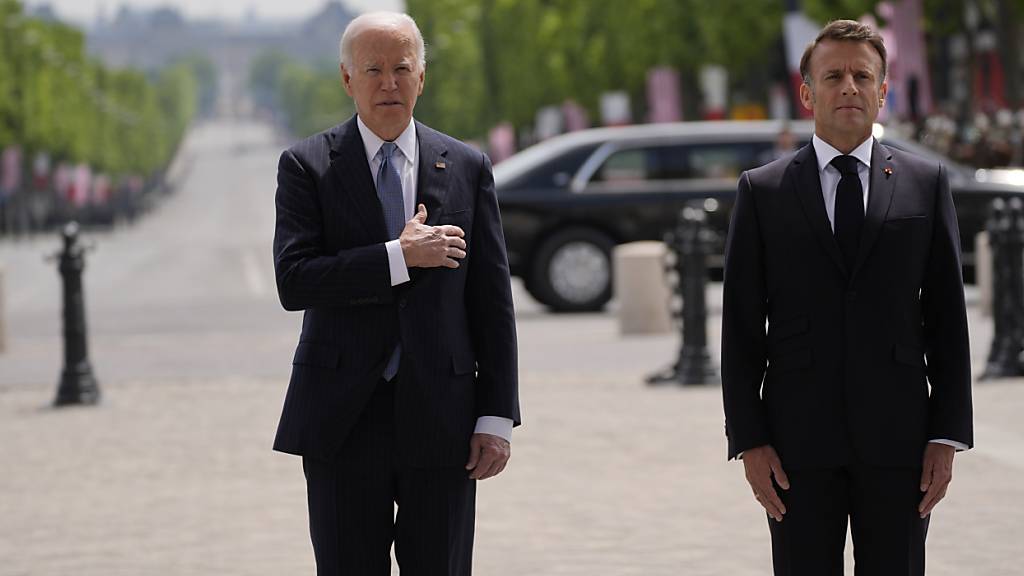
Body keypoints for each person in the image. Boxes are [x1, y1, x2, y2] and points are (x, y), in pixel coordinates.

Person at [721, 20, 973, 576]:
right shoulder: (762, 191)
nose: (849, 87)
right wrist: (749, 440)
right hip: (795, 446)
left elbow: (947, 321)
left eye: (863, 76)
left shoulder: (925, 183)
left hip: (901, 442)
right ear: (808, 93)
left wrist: (947, 434)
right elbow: (740, 328)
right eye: (833, 76)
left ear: (883, 92)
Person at [271, 12, 520, 575]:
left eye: (402, 69)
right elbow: (295, 279)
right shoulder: (307, 166)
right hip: (342, 419)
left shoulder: (467, 166)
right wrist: (397, 257)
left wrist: (496, 417)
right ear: (347, 79)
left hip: (443, 418)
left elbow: (492, 304)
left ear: (421, 78)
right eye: (373, 70)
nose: (389, 83)